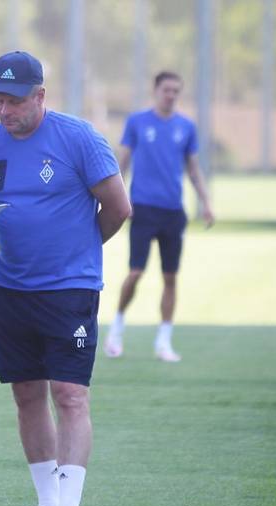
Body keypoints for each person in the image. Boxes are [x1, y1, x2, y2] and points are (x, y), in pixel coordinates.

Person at [0, 51, 132, 506]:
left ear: (40, 95)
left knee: (69, 395)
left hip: (69, 290)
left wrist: (79, 249)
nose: (5, 110)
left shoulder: (79, 138)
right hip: (9, 289)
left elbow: (118, 207)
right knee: (26, 395)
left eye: (15, 101)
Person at [103, 71, 215, 362]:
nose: (171, 95)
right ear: (156, 91)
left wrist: (206, 202)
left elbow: (193, 168)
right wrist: (117, 198)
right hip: (143, 208)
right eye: (167, 90)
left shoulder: (186, 127)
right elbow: (122, 164)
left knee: (170, 277)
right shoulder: (137, 122)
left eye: (176, 90)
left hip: (173, 212)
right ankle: (116, 330)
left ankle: (164, 341)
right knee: (135, 273)